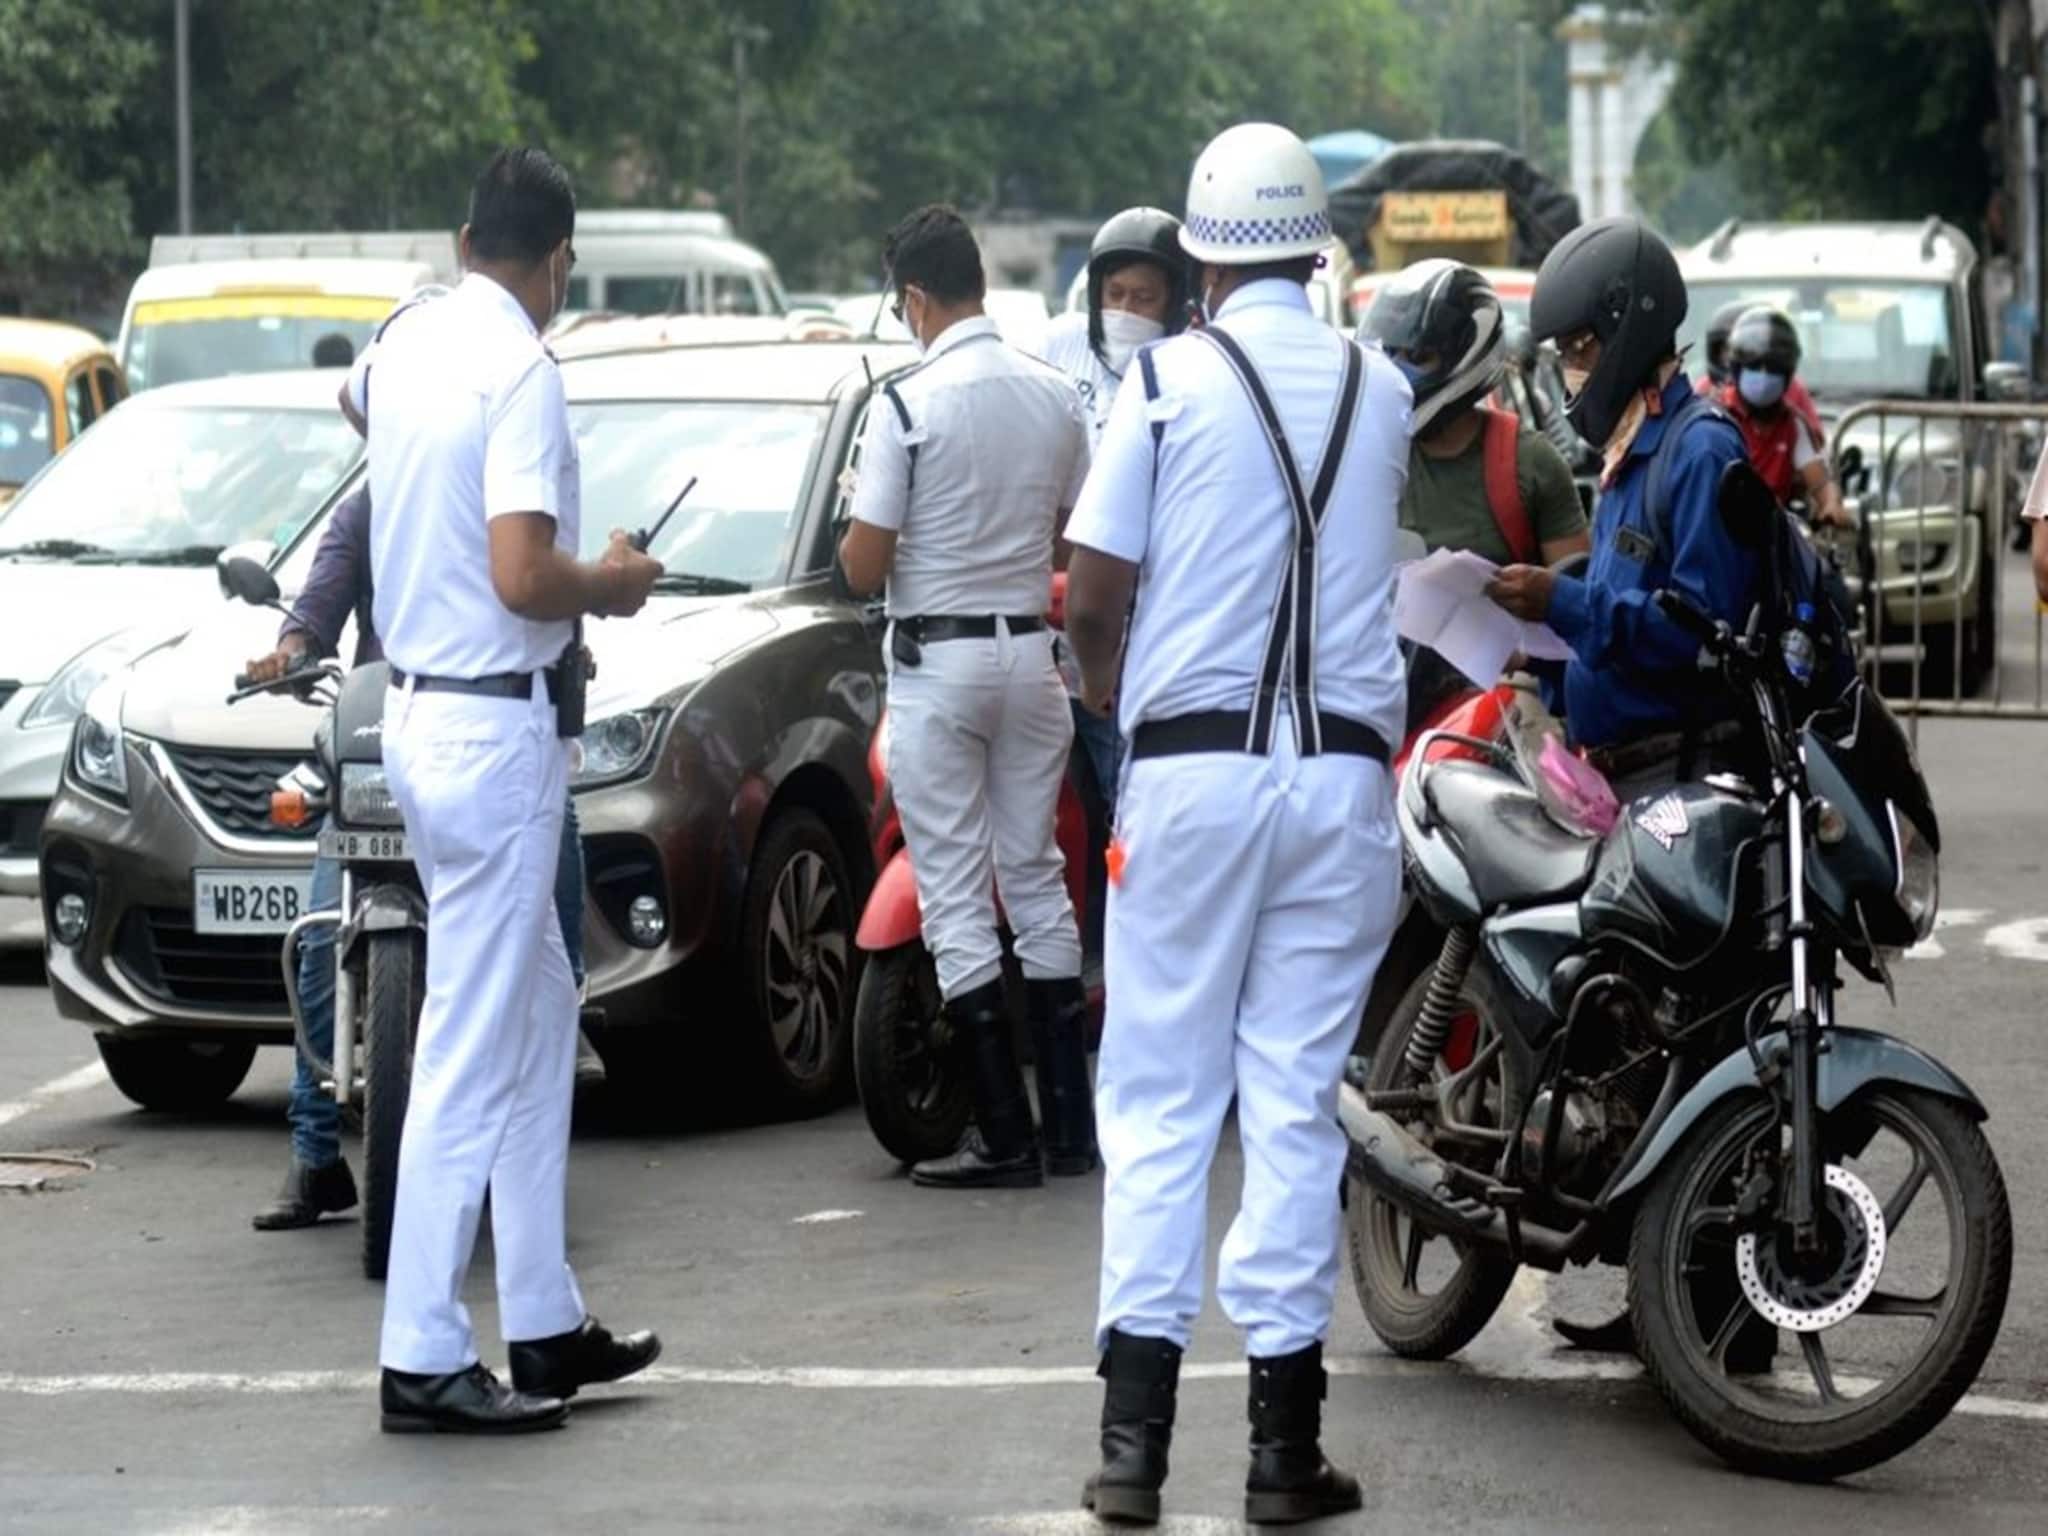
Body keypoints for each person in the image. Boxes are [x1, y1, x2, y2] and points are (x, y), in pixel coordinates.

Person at [1063, 122, 1408, 1527]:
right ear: (1317, 255)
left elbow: (1092, 595)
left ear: (1199, 261)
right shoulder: (1382, 386)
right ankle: (1282, 1451)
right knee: (1292, 1101)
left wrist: (1114, 719)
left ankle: (1132, 1450)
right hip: (1341, 786)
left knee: (1155, 1099)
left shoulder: (1156, 386)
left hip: (1193, 784)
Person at [360, 147, 662, 1435]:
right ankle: (421, 1348)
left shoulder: (407, 343)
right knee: (474, 1045)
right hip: (493, 736)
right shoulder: (522, 369)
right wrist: (615, 578)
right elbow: (524, 577)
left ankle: (540, 1321)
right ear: (555, 264)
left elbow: (358, 409)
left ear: (463, 237)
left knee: (539, 1013)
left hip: (424, 718)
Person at [243, 479, 601, 1233]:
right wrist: (291, 649)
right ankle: (314, 1153)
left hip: (495, 742)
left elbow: (551, 605)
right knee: (317, 942)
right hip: (388, 737)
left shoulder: (515, 503)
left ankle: (557, 1054)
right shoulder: (372, 505)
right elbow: (318, 605)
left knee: (550, 911)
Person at [837, 203, 1096, 1191]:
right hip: (1032, 659)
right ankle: (1068, 1128)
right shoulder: (1053, 394)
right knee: (1034, 876)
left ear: (912, 297)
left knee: (952, 892)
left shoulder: (903, 406)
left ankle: (1003, 1135)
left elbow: (864, 566)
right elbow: (1070, 532)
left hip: (938, 668)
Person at [1484, 216, 1759, 800]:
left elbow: (1704, 636)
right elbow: (1618, 638)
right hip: (1619, 772)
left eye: (1579, 348)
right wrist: (1544, 653)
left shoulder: (1699, 450)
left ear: (1627, 329)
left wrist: (1561, 600)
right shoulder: (1630, 455)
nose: (1573, 369)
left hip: (1682, 777)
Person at [1041, 207, 1191, 951]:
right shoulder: (1054, 350)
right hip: (1043, 641)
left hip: (1137, 647)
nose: (1126, 312)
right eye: (1116, 295)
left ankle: (1124, 950)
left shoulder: (1192, 373)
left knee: (1127, 814)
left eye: (1145, 297)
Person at [1360, 258, 1588, 568]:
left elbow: (1577, 600)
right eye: (1388, 354)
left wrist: (1536, 594)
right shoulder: (1368, 461)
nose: (1396, 372)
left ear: (1464, 358)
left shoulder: (1531, 463)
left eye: (1417, 356)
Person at [1718, 304, 1850, 527]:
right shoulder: (1716, 415)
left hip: (1772, 537)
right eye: (1755, 366)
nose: (1763, 376)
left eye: (1772, 369)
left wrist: (1831, 504)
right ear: (1737, 368)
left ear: (1788, 375)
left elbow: (1819, 480)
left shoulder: (1792, 425)